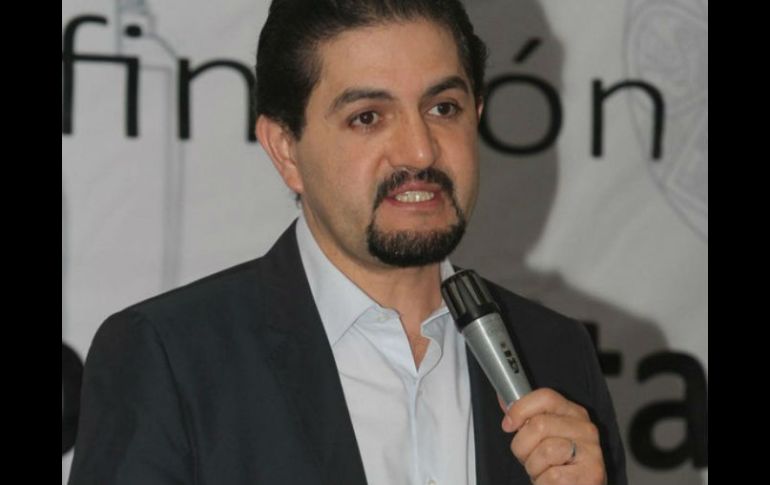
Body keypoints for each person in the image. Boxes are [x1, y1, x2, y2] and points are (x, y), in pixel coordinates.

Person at [68, 1, 627, 484]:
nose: (420, 151)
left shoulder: (555, 352)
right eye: (367, 117)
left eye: (443, 108)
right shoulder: (170, 358)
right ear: (285, 149)